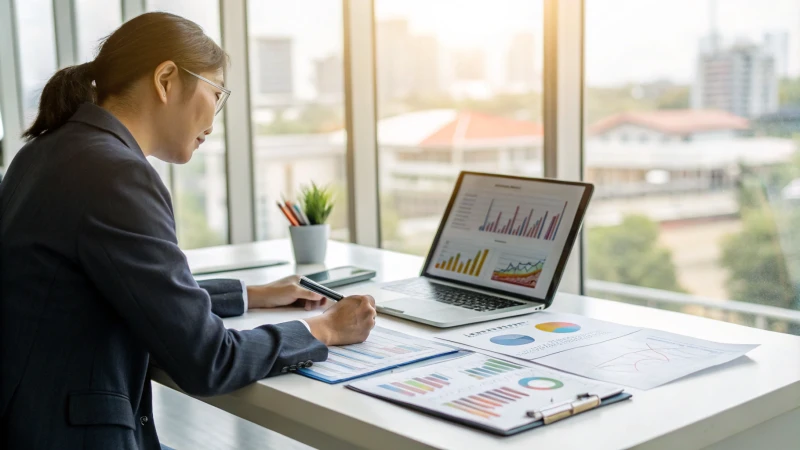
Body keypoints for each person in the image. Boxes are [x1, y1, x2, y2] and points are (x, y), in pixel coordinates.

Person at [0, 12, 376, 450]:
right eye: (216, 93)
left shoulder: (47, 151)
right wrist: (324, 328)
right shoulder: (115, 174)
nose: (213, 122)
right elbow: (207, 360)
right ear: (166, 79)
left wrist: (250, 295)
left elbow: (120, 287)